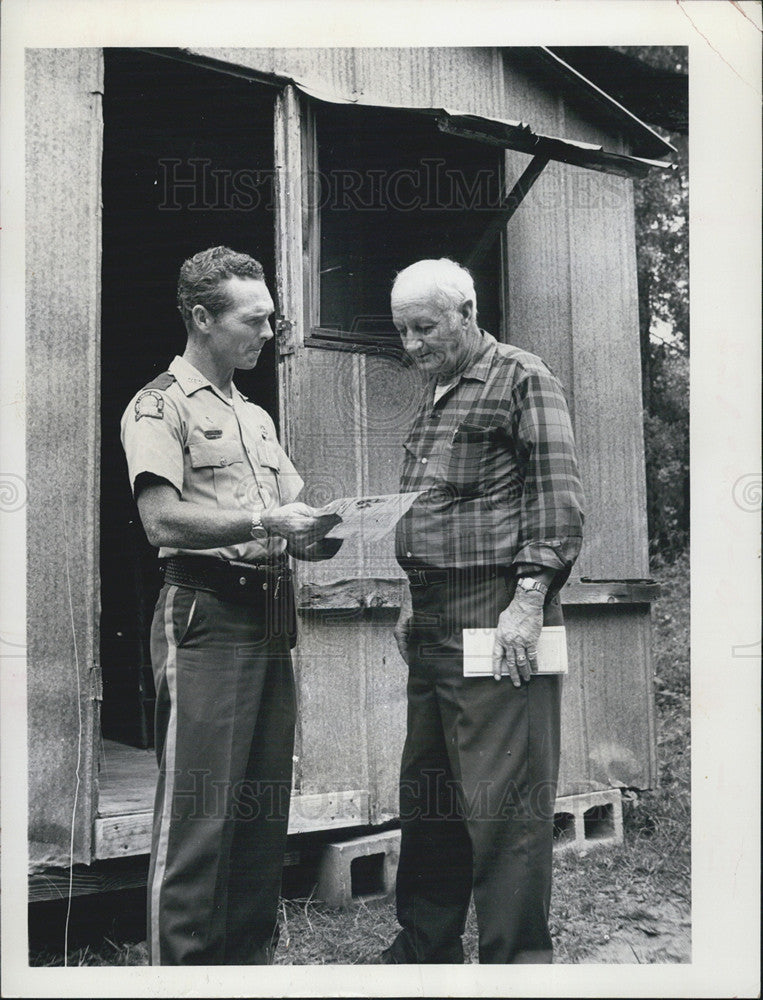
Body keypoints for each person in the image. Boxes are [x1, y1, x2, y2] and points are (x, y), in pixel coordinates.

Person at [120, 246, 339, 966]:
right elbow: (161, 521)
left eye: (273, 318)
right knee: (199, 818)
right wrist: (266, 524)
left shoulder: (255, 417)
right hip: (204, 618)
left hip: (269, 618)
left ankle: (245, 971)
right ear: (203, 318)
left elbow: (289, 516)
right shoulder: (158, 405)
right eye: (256, 319)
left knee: (257, 814)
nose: (270, 331)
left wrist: (318, 533)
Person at [381, 258, 584, 964]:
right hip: (433, 618)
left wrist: (527, 603)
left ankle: (514, 965)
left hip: (496, 614)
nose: (411, 345)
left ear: (466, 312)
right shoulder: (437, 394)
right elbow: (432, 511)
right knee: (429, 799)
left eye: (425, 328)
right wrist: (415, 599)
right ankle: (424, 955)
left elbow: (555, 499)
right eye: (402, 330)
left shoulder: (522, 377)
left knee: (505, 808)